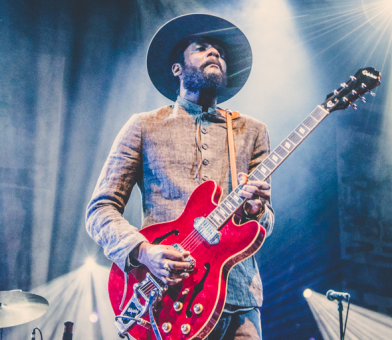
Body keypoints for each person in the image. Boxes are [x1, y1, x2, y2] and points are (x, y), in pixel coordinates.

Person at [86, 14, 274, 340]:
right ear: (177, 68)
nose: (215, 53)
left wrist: (257, 211)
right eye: (202, 48)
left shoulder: (252, 131)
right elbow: (100, 210)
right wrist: (143, 251)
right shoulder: (143, 125)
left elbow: (266, 222)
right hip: (166, 299)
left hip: (237, 299)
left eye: (221, 52)